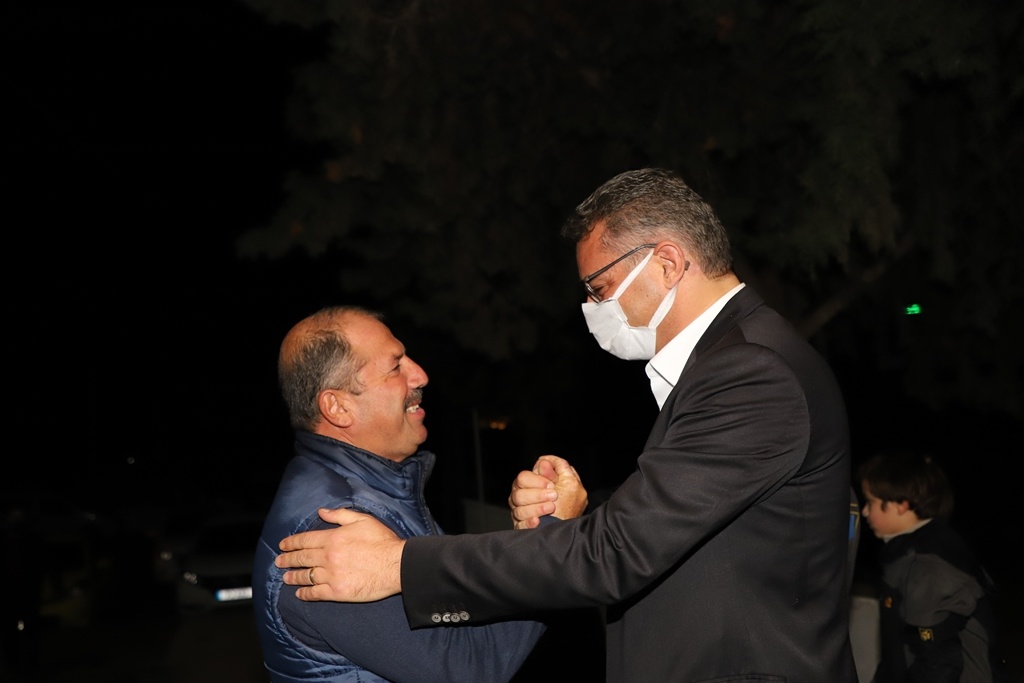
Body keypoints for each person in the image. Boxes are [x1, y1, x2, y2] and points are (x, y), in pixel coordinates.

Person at [273, 168, 859, 681]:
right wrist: (579, 511)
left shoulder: (750, 373)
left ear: (668, 263)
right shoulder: (734, 363)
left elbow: (615, 554)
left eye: (599, 288)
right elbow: (683, 524)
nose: (593, 309)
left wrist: (399, 564)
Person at [252, 305, 546, 682]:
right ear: (338, 407)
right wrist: (549, 537)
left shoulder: (378, 491)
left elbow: (456, 603)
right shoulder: (332, 533)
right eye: (395, 367)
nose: (420, 375)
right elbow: (473, 665)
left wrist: (529, 540)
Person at [857, 450, 1007, 683]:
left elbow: (937, 665)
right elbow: (897, 652)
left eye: (871, 502)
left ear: (901, 505)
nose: (865, 511)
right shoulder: (904, 553)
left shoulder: (928, 566)